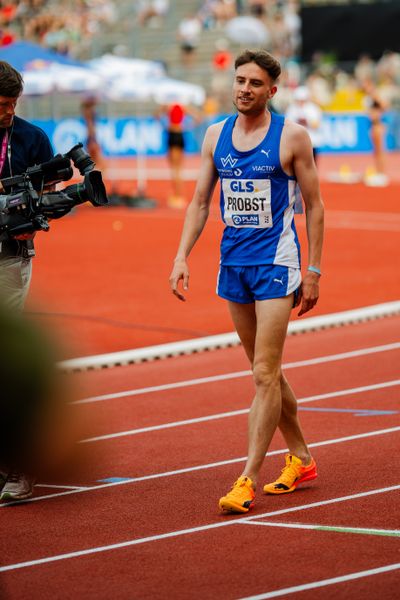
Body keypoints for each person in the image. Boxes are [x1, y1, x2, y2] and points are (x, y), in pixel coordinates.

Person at [169, 49, 324, 514]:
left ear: (271, 90)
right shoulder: (215, 135)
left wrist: (313, 271)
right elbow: (199, 202)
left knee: (262, 373)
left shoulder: (292, 138)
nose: (244, 89)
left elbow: (314, 207)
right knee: (267, 371)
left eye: (255, 83)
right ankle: (301, 458)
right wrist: (181, 255)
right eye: (239, 80)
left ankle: (247, 478)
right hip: (232, 264)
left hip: (277, 265)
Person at [0, 60, 54, 502]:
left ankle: (19, 467)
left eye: (13, 104)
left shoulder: (33, 138)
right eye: (0, 104)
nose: (6, 112)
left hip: (9, 258)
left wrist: (34, 216)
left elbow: (54, 200)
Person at [157, 102, 202, 209]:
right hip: (179, 134)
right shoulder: (183, 108)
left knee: (175, 169)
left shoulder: (169, 107)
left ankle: (178, 196)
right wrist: (186, 126)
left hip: (173, 135)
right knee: (177, 169)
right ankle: (177, 195)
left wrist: (166, 124)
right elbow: (198, 117)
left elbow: (156, 116)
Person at [285, 85, 322, 166]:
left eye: (302, 100)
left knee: (312, 165)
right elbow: (287, 125)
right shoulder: (292, 109)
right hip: (296, 142)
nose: (300, 102)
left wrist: (307, 121)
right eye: (298, 100)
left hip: (312, 141)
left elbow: (317, 125)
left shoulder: (313, 109)